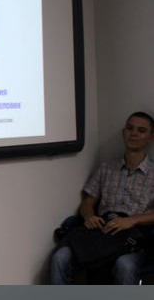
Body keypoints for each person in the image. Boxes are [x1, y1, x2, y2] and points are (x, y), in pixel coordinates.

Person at [50, 111, 154, 284]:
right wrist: (89, 216)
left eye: (141, 130)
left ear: (151, 137)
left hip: (134, 238)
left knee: (125, 265)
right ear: (124, 132)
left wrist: (132, 220)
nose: (134, 134)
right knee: (60, 257)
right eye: (130, 128)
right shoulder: (106, 168)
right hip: (101, 233)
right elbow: (87, 202)